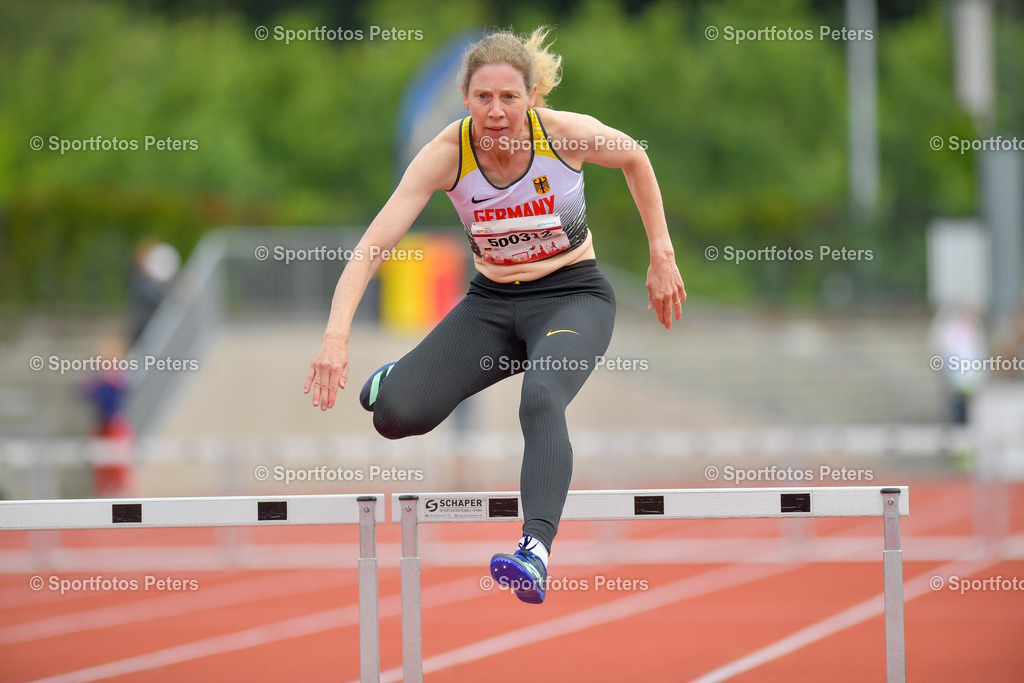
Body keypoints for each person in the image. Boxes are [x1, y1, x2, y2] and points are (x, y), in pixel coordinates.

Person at [304, 27, 686, 604]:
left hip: (571, 297)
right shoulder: (445, 156)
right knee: (394, 415)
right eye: (484, 98)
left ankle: (535, 550)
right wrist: (335, 337)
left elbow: (635, 157)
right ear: (466, 99)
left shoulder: (564, 136)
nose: (497, 111)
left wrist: (662, 252)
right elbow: (370, 248)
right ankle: (392, 380)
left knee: (541, 396)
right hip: (492, 306)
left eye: (510, 98)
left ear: (532, 98)